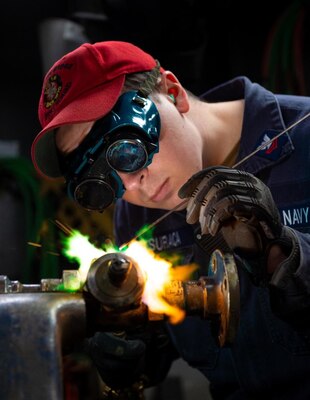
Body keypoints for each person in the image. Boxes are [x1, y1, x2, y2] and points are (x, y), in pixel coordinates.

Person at [31, 41, 310, 399]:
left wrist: (279, 254)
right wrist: (139, 346)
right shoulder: (137, 216)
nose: (132, 184)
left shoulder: (303, 137)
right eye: (104, 181)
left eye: (128, 150)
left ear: (174, 93)